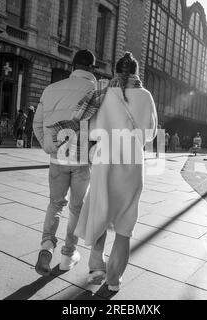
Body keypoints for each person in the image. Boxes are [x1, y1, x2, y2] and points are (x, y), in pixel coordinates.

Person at [74, 52, 158, 292]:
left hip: (104, 161)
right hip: (132, 164)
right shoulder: (145, 96)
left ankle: (96, 263)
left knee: (101, 208)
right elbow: (151, 134)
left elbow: (89, 129)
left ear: (116, 71)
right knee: (125, 225)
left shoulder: (105, 94)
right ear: (136, 72)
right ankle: (113, 281)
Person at [32, 49, 97, 276]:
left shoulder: (51, 89)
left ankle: (46, 246)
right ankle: (68, 255)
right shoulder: (95, 91)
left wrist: (48, 146)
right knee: (76, 208)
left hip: (57, 158)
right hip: (81, 160)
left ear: (73, 66)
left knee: (55, 204)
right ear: (91, 68)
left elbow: (37, 123)